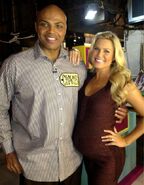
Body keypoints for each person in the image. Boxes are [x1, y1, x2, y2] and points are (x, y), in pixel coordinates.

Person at [0, 4, 127, 185]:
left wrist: (119, 106)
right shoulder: (14, 66)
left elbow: (94, 94)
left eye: (59, 25)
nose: (52, 31)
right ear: (36, 26)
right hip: (35, 165)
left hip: (71, 162)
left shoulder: (77, 66)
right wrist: (8, 150)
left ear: (65, 29)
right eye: (45, 24)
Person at [72, 31, 144, 185]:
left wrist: (126, 140)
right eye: (96, 48)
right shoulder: (86, 77)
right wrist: (72, 52)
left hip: (107, 158)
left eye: (107, 51)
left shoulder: (122, 82)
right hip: (86, 156)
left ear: (114, 56)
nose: (100, 54)